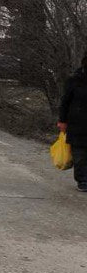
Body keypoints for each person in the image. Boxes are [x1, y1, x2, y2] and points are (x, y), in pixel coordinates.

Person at [58, 54, 87, 192]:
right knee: (80, 153)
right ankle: (83, 180)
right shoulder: (74, 80)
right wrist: (62, 120)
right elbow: (65, 102)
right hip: (78, 122)